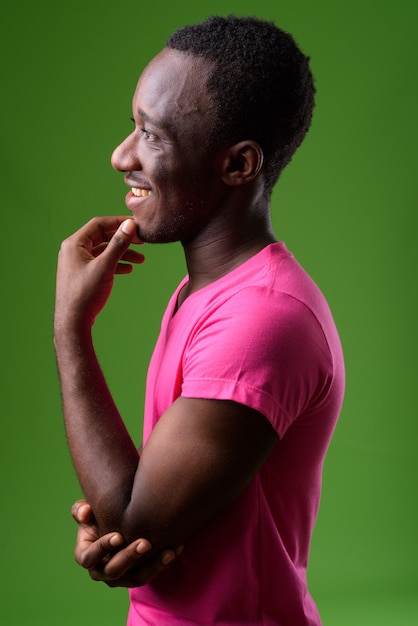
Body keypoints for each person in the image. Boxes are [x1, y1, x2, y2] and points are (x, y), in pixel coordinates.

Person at [54, 14, 345, 626]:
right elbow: (143, 517)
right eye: (132, 124)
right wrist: (107, 533)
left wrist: (70, 328)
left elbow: (134, 517)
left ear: (239, 165)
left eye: (151, 135)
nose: (120, 155)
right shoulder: (205, 291)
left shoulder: (262, 319)